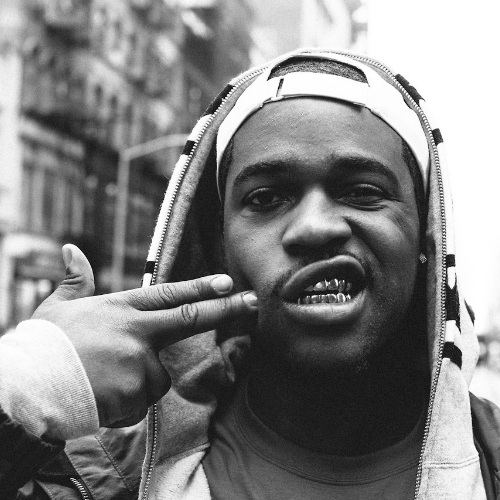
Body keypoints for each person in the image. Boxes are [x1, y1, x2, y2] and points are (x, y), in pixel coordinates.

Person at [5, 48, 500, 499]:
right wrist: (29, 384)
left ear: (426, 238)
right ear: (220, 248)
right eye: (266, 198)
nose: (314, 227)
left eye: (362, 191)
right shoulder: (96, 473)